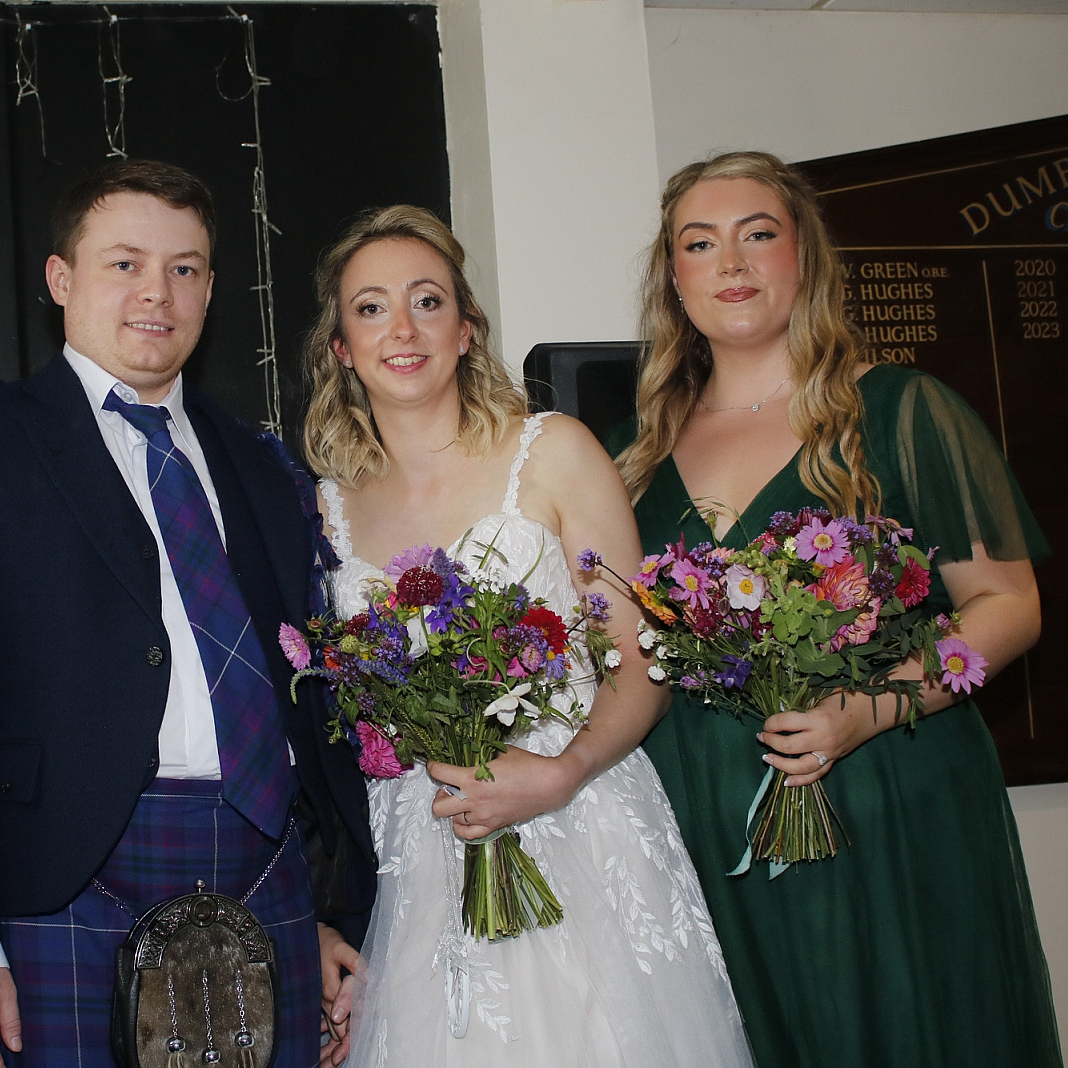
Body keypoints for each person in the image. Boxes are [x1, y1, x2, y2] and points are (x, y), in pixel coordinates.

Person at [0, 158, 375, 1068]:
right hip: (59, 888)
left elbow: (301, 699)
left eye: (184, 269)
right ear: (60, 279)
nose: (158, 292)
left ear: (211, 290)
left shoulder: (262, 463)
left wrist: (325, 905)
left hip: (267, 873)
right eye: (124, 264)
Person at [615, 150, 1063, 1067]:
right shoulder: (633, 455)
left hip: (888, 798)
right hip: (708, 821)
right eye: (700, 243)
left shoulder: (899, 409)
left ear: (805, 256)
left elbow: (1010, 605)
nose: (731, 263)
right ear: (674, 279)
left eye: (758, 235)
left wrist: (867, 710)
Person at [300, 204, 752, 1066]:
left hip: (579, 815)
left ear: (466, 328)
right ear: (342, 348)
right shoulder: (322, 507)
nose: (403, 329)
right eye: (371, 308)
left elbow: (640, 657)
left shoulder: (553, 452)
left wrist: (562, 771)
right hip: (421, 846)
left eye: (428, 301)